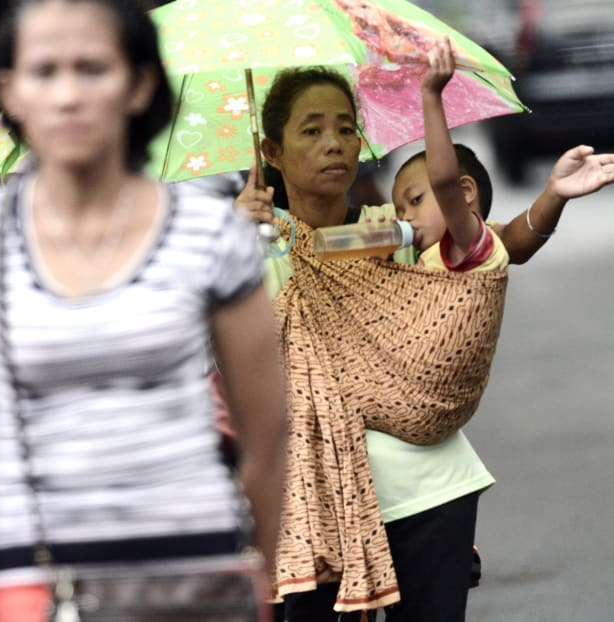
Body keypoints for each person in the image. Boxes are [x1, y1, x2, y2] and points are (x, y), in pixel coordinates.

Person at [0, 2, 287, 622]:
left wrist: (267, 581)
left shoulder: (212, 236)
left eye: (92, 68)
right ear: (10, 91)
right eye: (44, 71)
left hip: (198, 579)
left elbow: (267, 439)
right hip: (32, 582)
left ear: (139, 84)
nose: (67, 95)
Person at [235, 64, 614, 622]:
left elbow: (492, 244)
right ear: (272, 148)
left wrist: (552, 198)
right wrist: (230, 240)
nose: (335, 144)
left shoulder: (394, 226)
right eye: (312, 130)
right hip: (312, 507)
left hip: (429, 492)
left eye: (345, 127)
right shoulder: (244, 248)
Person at [392, 37, 508, 274]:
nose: (407, 219)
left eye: (415, 200)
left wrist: (431, 94)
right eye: (400, 211)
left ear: (464, 192)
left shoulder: (468, 244)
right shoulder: (420, 258)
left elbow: (445, 184)